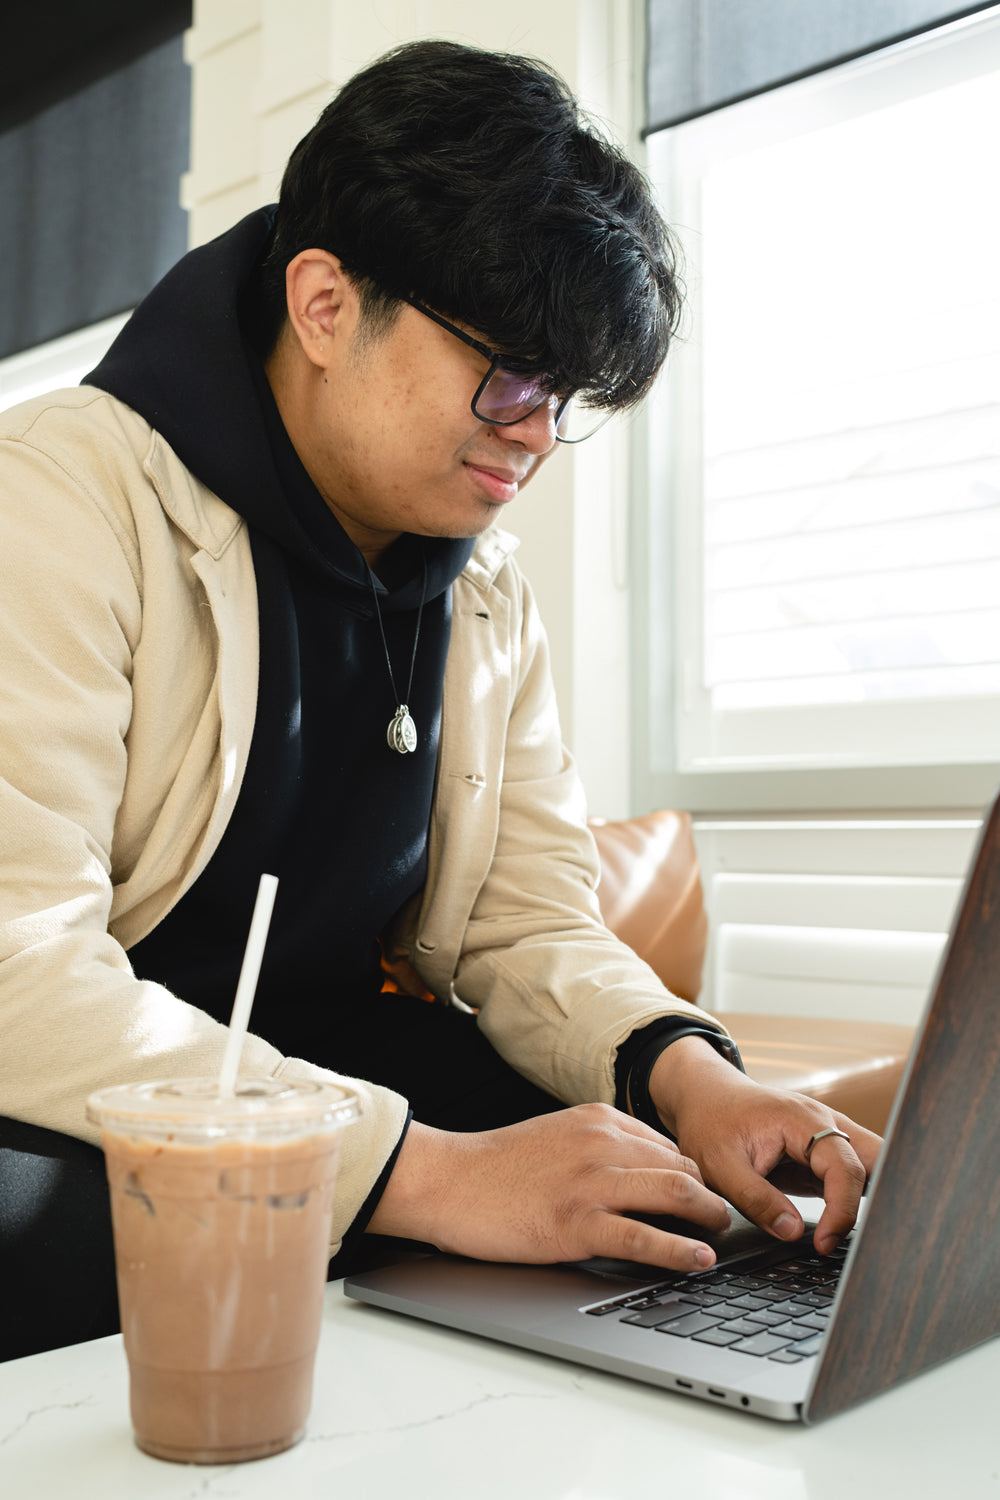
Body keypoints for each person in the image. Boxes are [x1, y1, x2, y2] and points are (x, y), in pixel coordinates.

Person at [0, 39, 878, 1361]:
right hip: (76, 1094)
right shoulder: (62, 497)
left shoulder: (484, 592)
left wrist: (693, 1077)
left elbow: (530, 923)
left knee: (667, 1196)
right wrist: (434, 1178)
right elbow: (17, 977)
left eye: (562, 396)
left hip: (337, 1081)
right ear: (324, 305)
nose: (532, 431)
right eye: (508, 372)